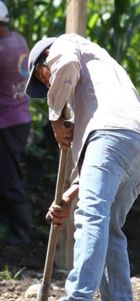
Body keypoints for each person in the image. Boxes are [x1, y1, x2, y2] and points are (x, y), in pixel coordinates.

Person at [23, 34, 140, 301]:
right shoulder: (104, 73)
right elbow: (108, 160)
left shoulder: (65, 45)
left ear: (43, 67)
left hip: (111, 137)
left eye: (43, 78)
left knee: (92, 218)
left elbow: (66, 64)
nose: (47, 83)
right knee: (108, 228)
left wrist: (55, 116)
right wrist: (70, 197)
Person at [0, 1, 32, 247]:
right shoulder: (18, 40)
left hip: (7, 122)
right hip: (21, 118)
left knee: (10, 178)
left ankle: (20, 235)